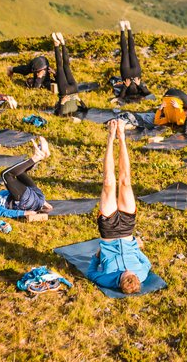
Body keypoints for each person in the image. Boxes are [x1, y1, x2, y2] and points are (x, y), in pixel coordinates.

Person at [87, 119, 152, 294]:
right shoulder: (142, 274)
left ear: (119, 281)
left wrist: (98, 256)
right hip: (127, 230)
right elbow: (147, 264)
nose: (126, 271)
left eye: (123, 275)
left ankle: (110, 138)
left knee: (108, 183)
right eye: (130, 273)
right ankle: (122, 137)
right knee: (125, 181)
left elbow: (91, 272)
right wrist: (136, 248)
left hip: (108, 232)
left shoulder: (108, 280)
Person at [0, 136, 55, 217]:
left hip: (36, 198)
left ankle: (41, 156)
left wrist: (44, 203)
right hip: (25, 202)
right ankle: (36, 157)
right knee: (5, 175)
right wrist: (24, 213)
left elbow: (13, 191)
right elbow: (3, 212)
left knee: (18, 172)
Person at [114, 21, 151, 101]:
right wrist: (139, 85)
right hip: (136, 74)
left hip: (126, 74)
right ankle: (129, 28)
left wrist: (126, 86)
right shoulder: (141, 97)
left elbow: (120, 96)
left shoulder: (126, 99)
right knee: (132, 51)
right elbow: (148, 93)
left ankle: (122, 29)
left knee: (125, 52)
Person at [51, 32, 85, 116]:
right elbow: (59, 115)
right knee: (60, 67)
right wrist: (62, 103)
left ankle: (63, 43)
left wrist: (79, 99)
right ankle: (56, 45)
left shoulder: (75, 109)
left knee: (66, 66)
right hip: (65, 92)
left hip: (74, 90)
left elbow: (85, 109)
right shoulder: (61, 110)